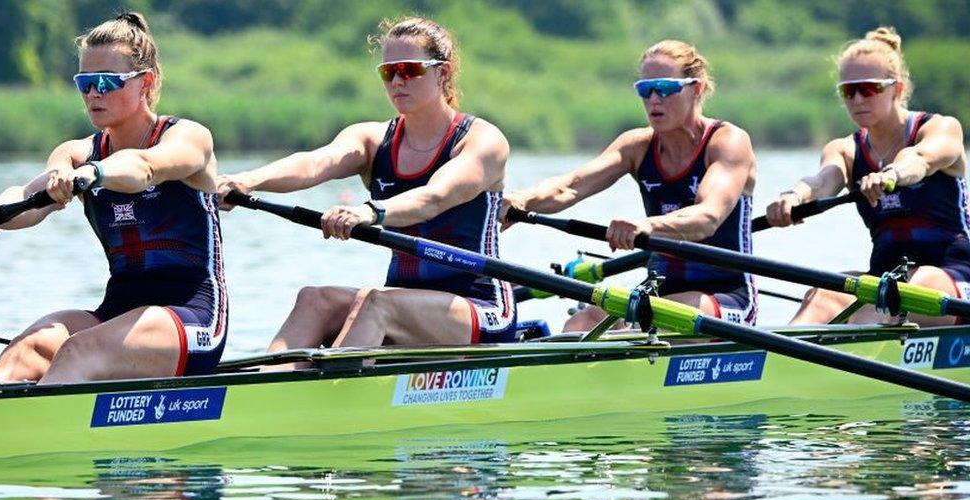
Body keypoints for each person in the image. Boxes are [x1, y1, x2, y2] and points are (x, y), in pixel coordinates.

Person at [0, 12, 227, 383]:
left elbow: (143, 168)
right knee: (27, 347)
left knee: (79, 349)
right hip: (116, 311)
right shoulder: (76, 153)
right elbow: (27, 200)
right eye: (85, 82)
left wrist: (94, 173)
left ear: (146, 82)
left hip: (191, 317)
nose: (94, 93)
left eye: (107, 82)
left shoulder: (188, 138)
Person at [218, 16, 515, 353]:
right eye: (388, 72)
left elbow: (434, 198)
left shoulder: (482, 141)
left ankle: (325, 392)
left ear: (442, 73)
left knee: (376, 303)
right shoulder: (373, 139)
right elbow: (316, 162)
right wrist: (246, 180)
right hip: (403, 302)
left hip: (478, 308)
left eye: (409, 70)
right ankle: (266, 394)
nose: (397, 81)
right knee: (315, 300)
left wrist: (369, 211)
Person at [504, 40, 758, 332]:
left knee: (658, 318)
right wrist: (520, 199)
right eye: (644, 89)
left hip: (728, 299)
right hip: (658, 294)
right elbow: (570, 186)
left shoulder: (728, 142)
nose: (653, 99)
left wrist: (646, 226)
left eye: (664, 88)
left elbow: (707, 218)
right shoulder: (637, 146)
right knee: (583, 321)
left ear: (696, 88)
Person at [764, 27, 967, 326]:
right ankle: (778, 362)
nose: (857, 99)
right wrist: (793, 197)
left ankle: (847, 345)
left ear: (897, 89)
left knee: (907, 290)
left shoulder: (940, 128)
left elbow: (920, 160)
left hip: (951, 277)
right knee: (822, 294)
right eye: (848, 91)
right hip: (885, 281)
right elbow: (822, 181)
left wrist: (891, 174)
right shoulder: (846, 150)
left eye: (868, 89)